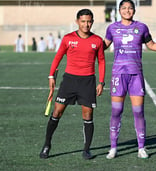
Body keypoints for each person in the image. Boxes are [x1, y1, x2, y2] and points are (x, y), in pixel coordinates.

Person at [39, 9, 106, 160]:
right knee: (57, 112)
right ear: (77, 22)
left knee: (88, 114)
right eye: (83, 21)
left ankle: (87, 149)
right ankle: (47, 144)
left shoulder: (97, 40)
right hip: (69, 80)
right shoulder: (68, 38)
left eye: (89, 21)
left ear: (92, 22)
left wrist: (101, 81)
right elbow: (58, 57)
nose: (86, 24)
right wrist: (51, 76)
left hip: (88, 81)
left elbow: (101, 61)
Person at [103, 0, 156, 160]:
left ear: (134, 10)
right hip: (118, 75)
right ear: (119, 10)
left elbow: (151, 45)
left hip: (136, 76)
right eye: (124, 8)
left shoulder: (141, 27)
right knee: (116, 111)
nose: (127, 10)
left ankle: (141, 148)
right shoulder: (112, 28)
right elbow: (103, 45)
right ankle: (113, 148)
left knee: (139, 112)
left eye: (130, 8)